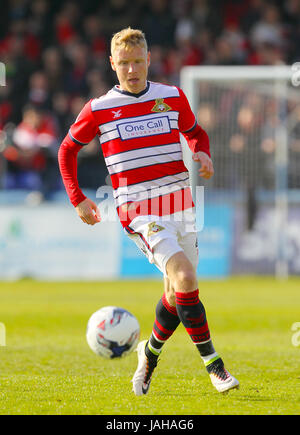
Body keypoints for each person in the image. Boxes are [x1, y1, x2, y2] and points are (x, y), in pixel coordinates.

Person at [58, 27, 239, 395]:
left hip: (180, 206)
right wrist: (77, 197)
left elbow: (196, 132)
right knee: (186, 278)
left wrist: (202, 152)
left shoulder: (170, 97)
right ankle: (215, 367)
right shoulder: (99, 109)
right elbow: (66, 150)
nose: (132, 69)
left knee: (176, 294)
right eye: (124, 63)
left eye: (138, 61)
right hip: (138, 211)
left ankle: (148, 355)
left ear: (149, 60)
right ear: (112, 63)